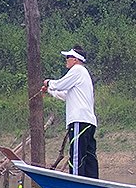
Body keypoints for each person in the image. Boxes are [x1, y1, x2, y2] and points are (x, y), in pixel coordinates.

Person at [42, 46, 98, 178]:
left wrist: (48, 82)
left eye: (68, 57)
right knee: (89, 156)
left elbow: (60, 84)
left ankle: (76, 182)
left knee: (76, 156)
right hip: (89, 122)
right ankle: (93, 184)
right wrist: (49, 90)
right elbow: (66, 95)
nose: (66, 60)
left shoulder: (77, 70)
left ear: (75, 59)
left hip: (79, 120)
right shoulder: (83, 74)